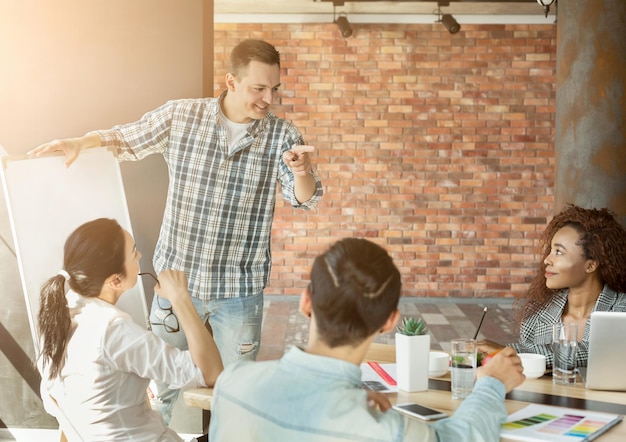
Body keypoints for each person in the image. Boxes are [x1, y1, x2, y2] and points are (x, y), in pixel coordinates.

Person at [28, 38, 323, 422]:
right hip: (175, 283)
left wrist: (303, 172)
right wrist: (79, 142)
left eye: (274, 89)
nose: (269, 98)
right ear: (231, 82)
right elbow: (126, 138)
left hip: (239, 291)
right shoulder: (182, 116)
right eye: (259, 88)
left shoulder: (283, 136)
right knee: (158, 390)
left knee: (238, 394)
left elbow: (305, 199)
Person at [209, 237, 526, 441]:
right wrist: (492, 383)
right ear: (390, 322)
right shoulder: (385, 431)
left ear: (306, 301)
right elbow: (459, 437)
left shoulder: (232, 383)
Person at [36, 218, 223, 441]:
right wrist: (180, 297)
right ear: (115, 280)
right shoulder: (113, 328)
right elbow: (211, 373)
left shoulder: (57, 319)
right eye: (134, 252)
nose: (140, 256)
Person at [478, 204, 626, 369]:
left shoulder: (621, 311)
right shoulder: (537, 315)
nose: (547, 260)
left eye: (559, 252)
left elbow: (598, 353)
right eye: (551, 250)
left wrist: (510, 351)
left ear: (590, 265)